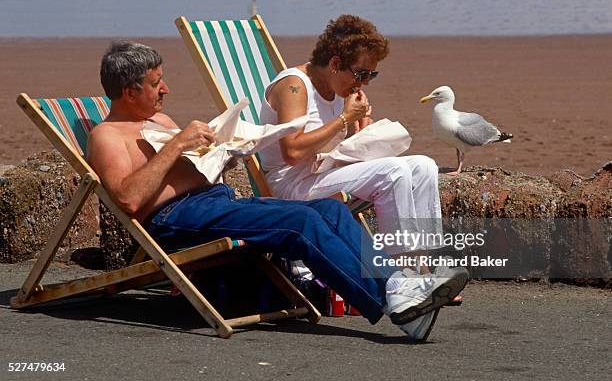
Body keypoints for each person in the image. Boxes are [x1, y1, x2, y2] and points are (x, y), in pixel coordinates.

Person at [86, 41, 467, 341]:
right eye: (156, 83)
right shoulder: (106, 137)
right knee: (299, 220)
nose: (165, 89)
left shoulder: (159, 119)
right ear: (129, 90)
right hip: (177, 219)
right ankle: (395, 296)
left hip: (213, 201)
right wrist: (176, 146)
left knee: (329, 211)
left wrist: (223, 154)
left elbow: (183, 170)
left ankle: (404, 300)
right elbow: (129, 199)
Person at [257, 14, 454, 337]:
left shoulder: (337, 91)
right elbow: (291, 151)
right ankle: (404, 280)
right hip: (292, 185)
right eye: (361, 74)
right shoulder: (293, 86)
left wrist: (359, 125)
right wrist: (344, 119)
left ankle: (422, 266)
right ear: (335, 62)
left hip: (324, 173)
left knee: (423, 166)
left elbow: (338, 144)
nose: (363, 83)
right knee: (393, 171)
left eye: (371, 75)